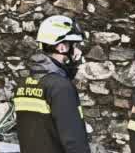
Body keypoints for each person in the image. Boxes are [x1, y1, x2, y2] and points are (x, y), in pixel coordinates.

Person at [12, 14, 95, 153]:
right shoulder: (61, 87)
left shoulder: (23, 84)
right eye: (74, 46)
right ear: (62, 47)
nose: (78, 52)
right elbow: (74, 141)